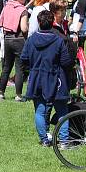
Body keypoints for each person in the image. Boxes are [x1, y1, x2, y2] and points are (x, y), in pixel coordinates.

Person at [21, 10, 71, 147]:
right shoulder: (58, 40)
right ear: (52, 23)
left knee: (40, 110)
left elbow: (23, 58)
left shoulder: (31, 40)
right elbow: (66, 61)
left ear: (38, 22)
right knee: (61, 110)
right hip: (56, 78)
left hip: (37, 77)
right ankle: (64, 141)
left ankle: (44, 139)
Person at [0, 0, 29, 101]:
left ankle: (1, 92)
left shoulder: (6, 7)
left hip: (7, 39)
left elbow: (1, 22)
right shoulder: (22, 10)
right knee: (19, 68)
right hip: (19, 39)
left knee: (6, 67)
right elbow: (24, 28)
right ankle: (18, 95)